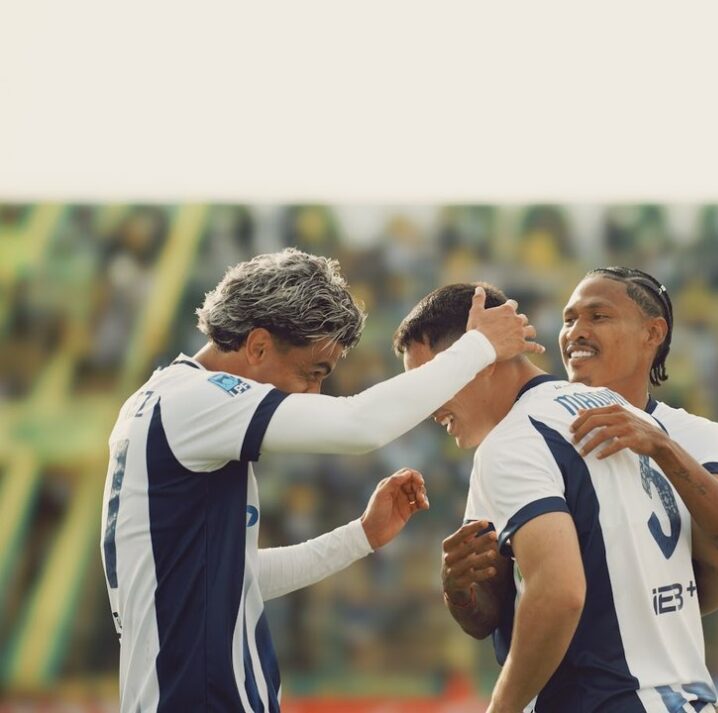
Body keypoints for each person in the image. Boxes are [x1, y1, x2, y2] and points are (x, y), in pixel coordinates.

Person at [99, 248, 542, 712]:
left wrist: (360, 537)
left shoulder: (163, 403)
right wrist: (479, 347)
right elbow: (358, 425)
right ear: (257, 346)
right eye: (311, 373)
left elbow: (235, 577)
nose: (313, 393)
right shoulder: (195, 401)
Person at [394, 282, 718, 712]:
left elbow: (558, 592)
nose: (427, 406)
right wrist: (460, 590)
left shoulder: (514, 442)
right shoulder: (619, 412)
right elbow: (515, 603)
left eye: (430, 382)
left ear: (478, 360)